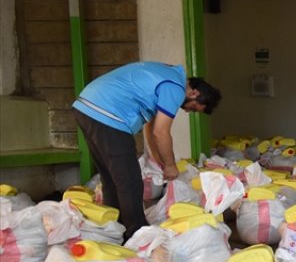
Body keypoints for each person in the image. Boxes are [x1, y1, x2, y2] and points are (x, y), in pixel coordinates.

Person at [71, 61, 221, 240]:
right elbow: (161, 132)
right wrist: (170, 165)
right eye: (194, 108)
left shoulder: (167, 76)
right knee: (130, 182)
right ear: (194, 93)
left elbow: (150, 128)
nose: (188, 111)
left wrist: (159, 160)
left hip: (87, 107)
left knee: (112, 179)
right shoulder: (175, 87)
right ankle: (138, 236)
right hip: (108, 113)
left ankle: (113, 230)